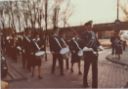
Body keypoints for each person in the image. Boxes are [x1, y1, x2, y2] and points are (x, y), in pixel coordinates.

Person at [80, 20, 102, 88]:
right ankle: (85, 83)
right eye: (90, 25)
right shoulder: (83, 34)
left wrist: (100, 46)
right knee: (86, 70)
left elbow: (97, 42)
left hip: (95, 55)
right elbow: (82, 44)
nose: (91, 26)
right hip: (88, 55)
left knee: (95, 71)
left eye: (92, 25)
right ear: (86, 26)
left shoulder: (94, 33)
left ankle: (95, 86)